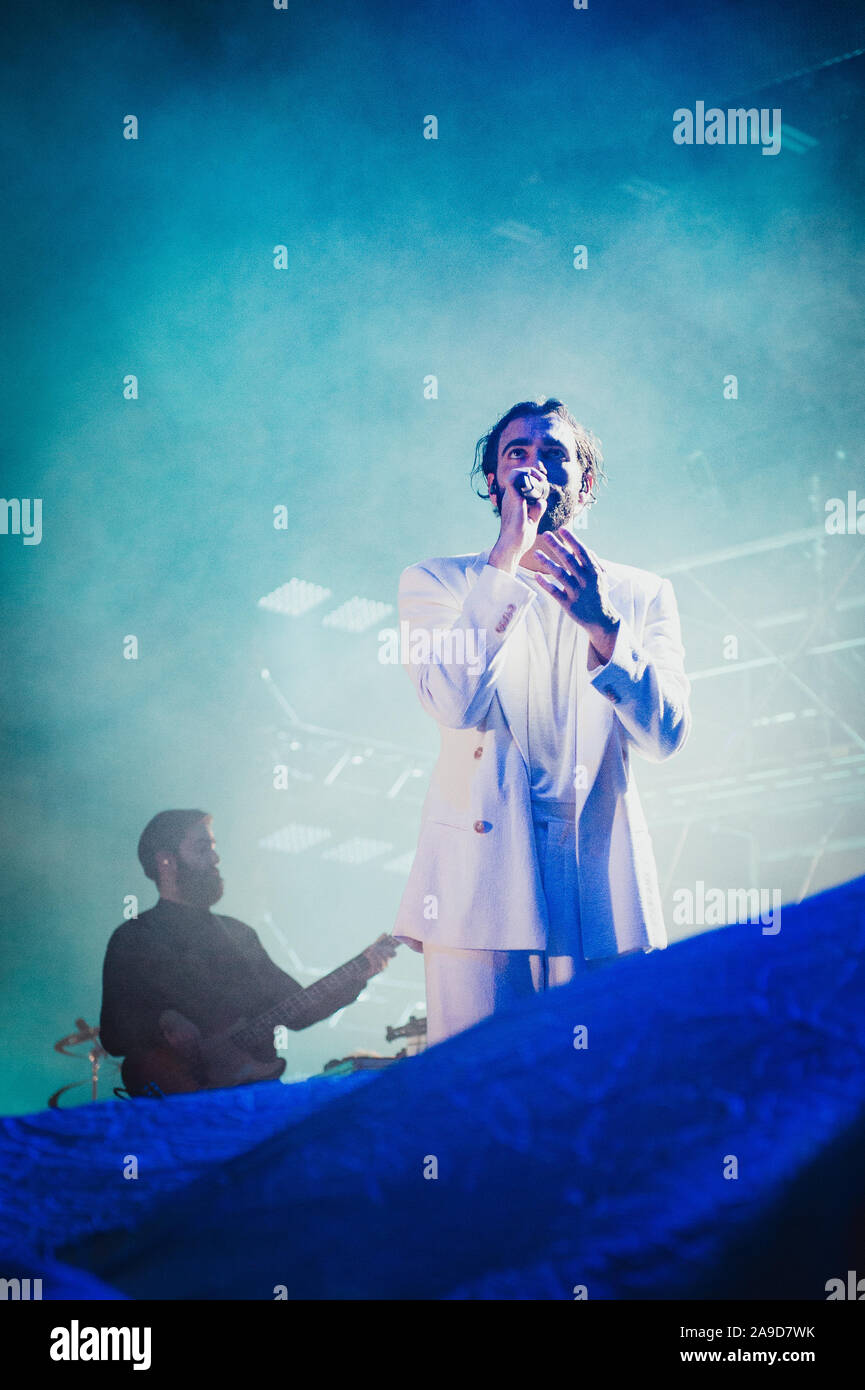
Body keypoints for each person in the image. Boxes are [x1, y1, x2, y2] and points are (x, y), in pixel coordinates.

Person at [393, 398, 691, 1043]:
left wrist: (605, 626)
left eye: (554, 454)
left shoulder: (640, 595)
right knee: (480, 1095)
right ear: (493, 482)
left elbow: (666, 735)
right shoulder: (438, 583)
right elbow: (452, 704)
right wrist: (504, 563)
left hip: (599, 880)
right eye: (516, 454)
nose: (533, 468)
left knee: (600, 1096)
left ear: (583, 483)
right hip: (479, 878)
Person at [100, 809, 396, 1088]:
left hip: (252, 1097)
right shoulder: (134, 938)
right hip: (182, 1100)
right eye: (202, 848)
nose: (215, 857)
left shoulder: (239, 934)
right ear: (167, 861)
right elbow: (113, 1034)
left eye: (213, 847)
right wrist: (162, 1021)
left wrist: (362, 970)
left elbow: (298, 1010)